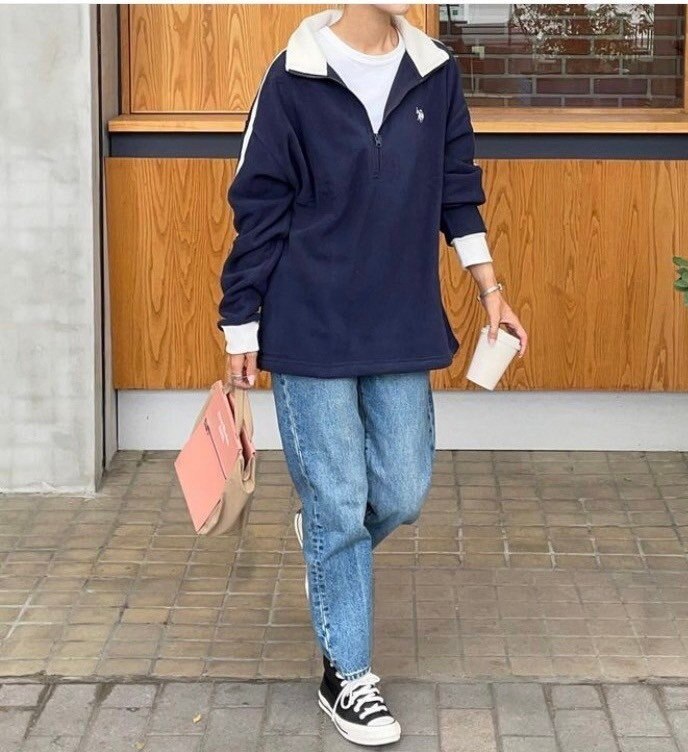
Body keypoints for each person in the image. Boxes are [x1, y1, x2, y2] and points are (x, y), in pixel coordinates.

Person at [217, 5, 528, 746]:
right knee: (339, 500)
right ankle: (347, 677)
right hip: (307, 319)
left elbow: (457, 189)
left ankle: (327, 540)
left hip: (398, 318)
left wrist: (491, 288)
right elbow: (259, 204)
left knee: (403, 490)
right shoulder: (293, 76)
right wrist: (240, 322)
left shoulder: (435, 72)